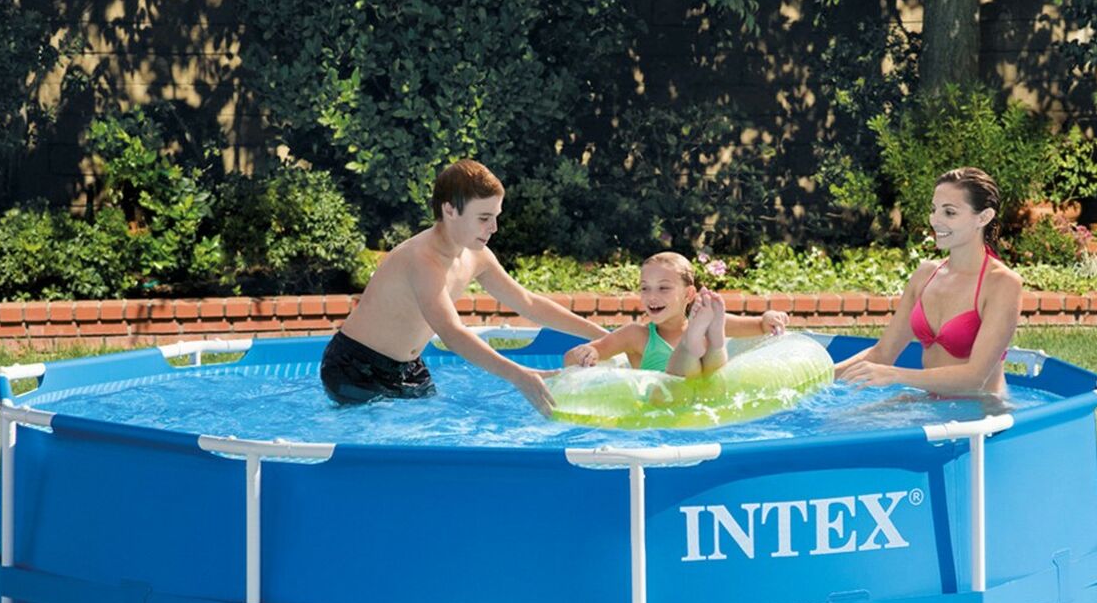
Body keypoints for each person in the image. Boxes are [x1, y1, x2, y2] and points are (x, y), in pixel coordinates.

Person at [320, 159, 608, 413]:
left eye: (495, 217)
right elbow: (452, 333)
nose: (493, 228)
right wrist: (520, 375)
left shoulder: (476, 255)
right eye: (484, 218)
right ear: (450, 210)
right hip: (354, 367)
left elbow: (528, 303)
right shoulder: (421, 259)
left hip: (409, 368)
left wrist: (605, 337)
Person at [835, 167, 1022, 396]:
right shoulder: (926, 275)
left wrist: (895, 375)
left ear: (983, 217)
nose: (935, 221)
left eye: (949, 213)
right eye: (934, 210)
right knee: (840, 418)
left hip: (981, 410)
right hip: (931, 404)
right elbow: (882, 354)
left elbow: (974, 379)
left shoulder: (1001, 284)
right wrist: (814, 379)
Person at [562, 251, 788, 377]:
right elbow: (573, 357)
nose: (652, 296)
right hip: (664, 399)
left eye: (663, 288)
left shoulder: (707, 320)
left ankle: (713, 343)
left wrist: (768, 318)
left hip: (705, 393)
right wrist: (587, 352)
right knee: (684, 364)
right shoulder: (635, 335)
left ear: (689, 294)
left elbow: (759, 325)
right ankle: (695, 343)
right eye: (645, 288)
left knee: (712, 362)